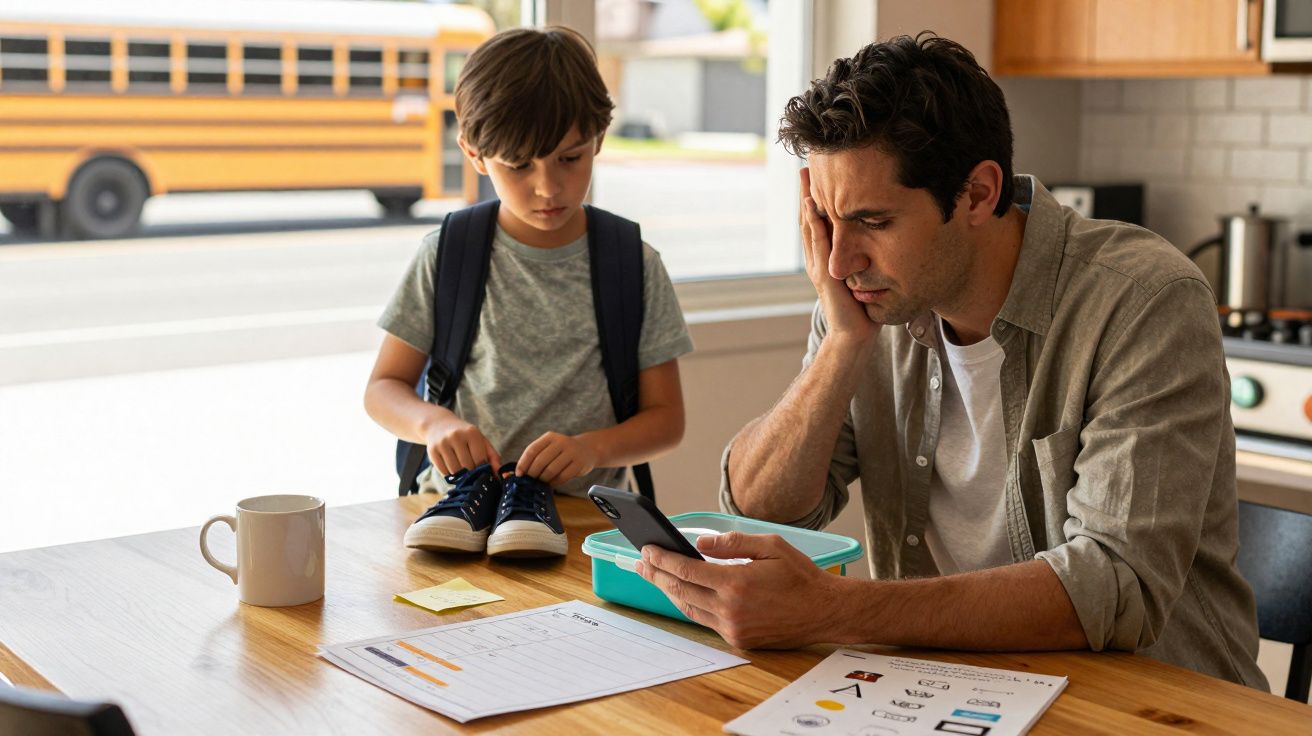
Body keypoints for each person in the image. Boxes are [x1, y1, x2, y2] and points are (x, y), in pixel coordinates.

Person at [636, 33, 1267, 689]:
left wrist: (832, 610)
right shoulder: (865, 299)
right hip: (948, 693)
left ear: (977, 194)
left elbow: (1116, 584)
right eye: (826, 220)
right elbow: (761, 511)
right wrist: (843, 346)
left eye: (873, 222)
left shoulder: (1143, 303)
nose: (837, 262)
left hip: (1156, 705)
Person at [365, 27, 692, 558]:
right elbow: (383, 387)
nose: (548, 187)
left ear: (599, 140)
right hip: (454, 515)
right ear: (474, 154)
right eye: (518, 165)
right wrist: (434, 423)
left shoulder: (632, 263)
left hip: (584, 523)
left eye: (571, 157)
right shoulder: (448, 253)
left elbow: (666, 419)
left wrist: (592, 449)